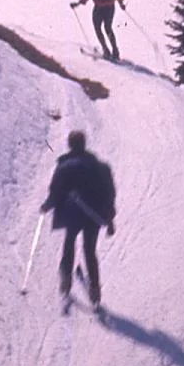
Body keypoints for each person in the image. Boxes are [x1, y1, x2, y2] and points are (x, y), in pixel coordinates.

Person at [40, 130, 116, 307]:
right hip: (93, 215)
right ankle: (95, 291)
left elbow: (56, 191)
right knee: (89, 250)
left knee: (69, 243)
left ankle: (66, 280)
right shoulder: (100, 166)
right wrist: (110, 220)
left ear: (70, 145)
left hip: (72, 213)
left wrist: (47, 206)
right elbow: (109, 194)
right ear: (84, 144)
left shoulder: (64, 166)